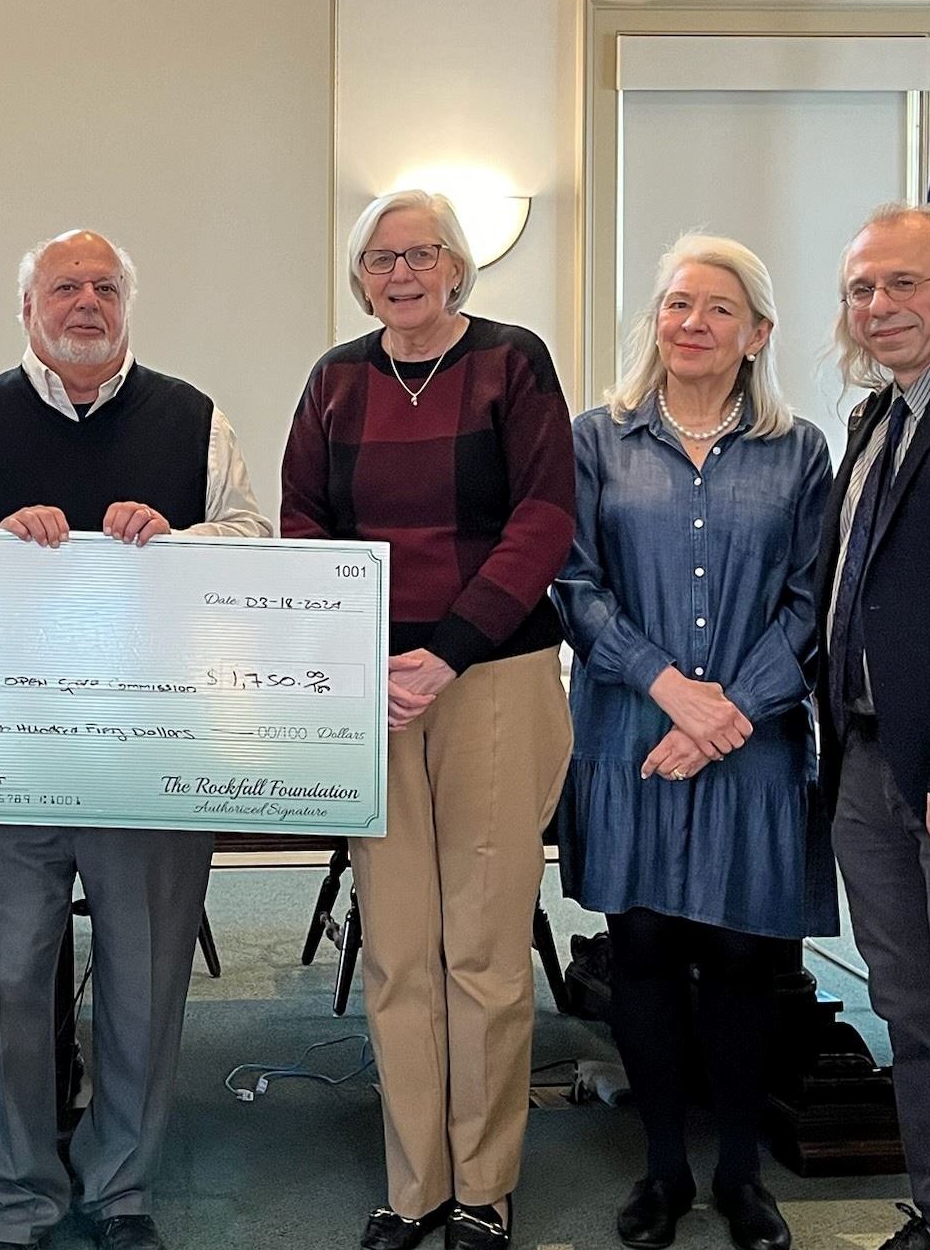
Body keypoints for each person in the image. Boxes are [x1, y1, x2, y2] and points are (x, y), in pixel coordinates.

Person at [0, 228, 270, 1250]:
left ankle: (117, 1187)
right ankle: (12, 1193)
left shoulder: (192, 417)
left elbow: (251, 539)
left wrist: (177, 540)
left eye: (104, 286)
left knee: (145, 983)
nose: (85, 302)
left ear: (126, 306)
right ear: (25, 308)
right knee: (0, 981)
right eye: (63, 285)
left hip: (151, 756)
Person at [280, 190, 574, 1250]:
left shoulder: (511, 362)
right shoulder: (333, 379)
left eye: (419, 253)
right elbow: (304, 527)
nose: (399, 273)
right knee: (398, 945)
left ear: (454, 266)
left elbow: (544, 517)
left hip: (491, 674)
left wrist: (445, 649)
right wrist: (368, 657)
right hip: (372, 684)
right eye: (378, 258)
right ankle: (413, 1182)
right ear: (359, 276)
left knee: (483, 950)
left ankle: (482, 1187)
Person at [553, 235, 832, 1250]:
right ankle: (662, 1170)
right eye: (674, 304)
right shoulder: (597, 439)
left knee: (742, 962)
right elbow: (574, 587)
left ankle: (738, 1175)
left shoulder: (798, 451)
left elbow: (809, 602)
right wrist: (674, 693)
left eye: (715, 309)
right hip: (629, 729)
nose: (689, 323)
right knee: (641, 954)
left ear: (755, 332)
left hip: (752, 744)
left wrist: (727, 713)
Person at [817, 203, 930, 1250]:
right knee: (910, 1014)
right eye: (858, 289)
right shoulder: (873, 421)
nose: (876, 306)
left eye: (900, 284)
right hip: (867, 763)